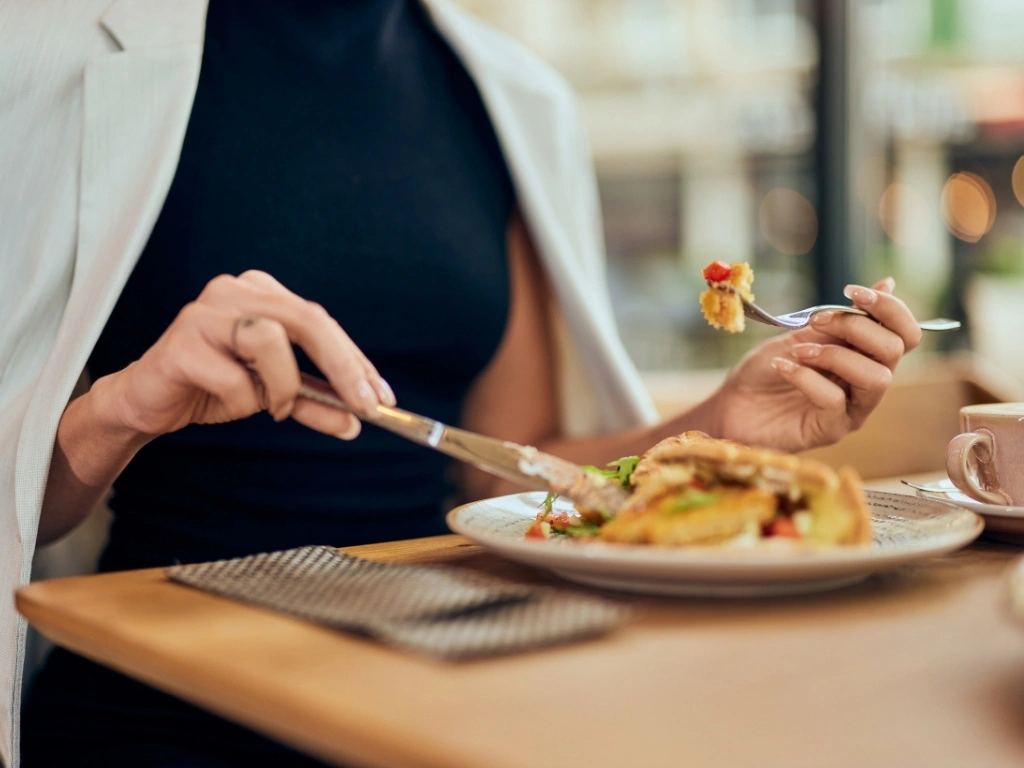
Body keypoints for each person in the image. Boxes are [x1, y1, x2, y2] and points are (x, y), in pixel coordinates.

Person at [1, 0, 922, 766]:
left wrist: (725, 423)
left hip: (448, 674)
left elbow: (503, 475)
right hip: (165, 696)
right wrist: (115, 411)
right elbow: (20, 520)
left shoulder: (509, 96)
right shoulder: (42, 56)